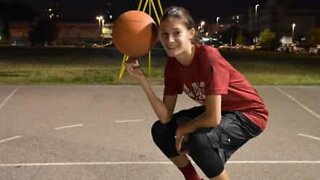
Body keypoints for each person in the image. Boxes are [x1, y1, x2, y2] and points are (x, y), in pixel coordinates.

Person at [125, 6, 268, 180]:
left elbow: (213, 118)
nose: (169, 40)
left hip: (249, 114)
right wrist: (143, 80)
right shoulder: (172, 65)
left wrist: (185, 128)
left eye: (177, 33)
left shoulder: (208, 57)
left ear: (191, 33)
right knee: (162, 130)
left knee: (199, 140)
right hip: (222, 110)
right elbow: (165, 117)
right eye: (164, 34)